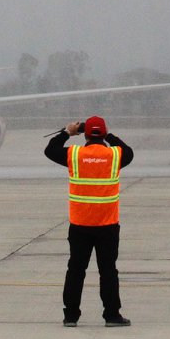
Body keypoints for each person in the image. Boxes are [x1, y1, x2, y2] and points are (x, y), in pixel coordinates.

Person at [44, 114, 132, 326]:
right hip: (107, 225)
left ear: (84, 135)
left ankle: (71, 316)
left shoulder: (75, 155)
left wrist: (67, 132)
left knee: (76, 270)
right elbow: (129, 152)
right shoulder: (115, 155)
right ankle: (112, 315)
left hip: (80, 225)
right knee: (108, 271)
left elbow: (50, 150)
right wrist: (109, 134)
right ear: (103, 133)